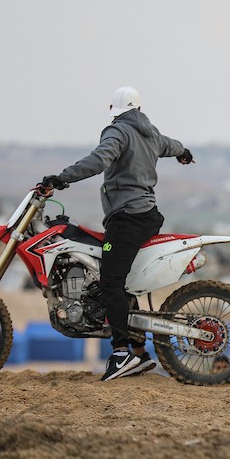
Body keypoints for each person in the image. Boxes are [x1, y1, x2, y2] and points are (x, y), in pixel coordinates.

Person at [41, 86, 193, 381]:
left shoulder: (118, 131)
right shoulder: (150, 132)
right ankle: (138, 352)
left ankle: (121, 353)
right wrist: (184, 153)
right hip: (145, 215)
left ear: (114, 109)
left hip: (127, 217)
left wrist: (61, 178)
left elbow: (99, 160)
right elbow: (171, 145)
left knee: (110, 280)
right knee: (120, 281)